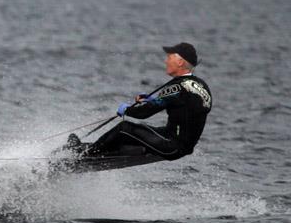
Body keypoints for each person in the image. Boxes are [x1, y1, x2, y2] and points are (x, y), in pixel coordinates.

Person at [68, 42, 212, 160]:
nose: (166, 60)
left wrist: (127, 109)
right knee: (134, 132)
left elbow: (144, 113)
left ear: (180, 62)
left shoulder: (176, 87)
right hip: (183, 145)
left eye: (169, 57)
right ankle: (95, 149)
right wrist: (155, 100)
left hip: (171, 145)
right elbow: (187, 106)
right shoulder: (201, 85)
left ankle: (83, 155)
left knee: (124, 128)